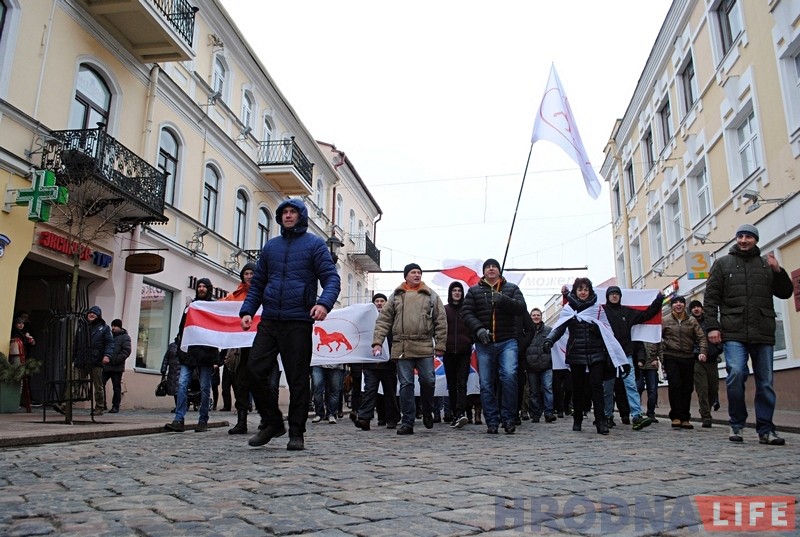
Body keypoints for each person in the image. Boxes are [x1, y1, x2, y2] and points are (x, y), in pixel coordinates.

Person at [240, 199, 341, 451]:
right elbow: (258, 283)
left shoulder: (315, 245)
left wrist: (324, 304)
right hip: (270, 320)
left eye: (292, 212)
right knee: (253, 369)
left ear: (301, 216)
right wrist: (247, 310)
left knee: (297, 380)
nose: (287, 216)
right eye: (284, 212)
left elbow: (331, 278)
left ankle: (297, 432)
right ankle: (273, 422)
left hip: (298, 321)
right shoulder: (271, 247)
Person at [704, 224, 793, 445]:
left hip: (763, 331)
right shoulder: (722, 264)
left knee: (765, 383)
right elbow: (711, 298)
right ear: (736, 239)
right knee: (735, 373)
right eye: (740, 236)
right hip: (733, 331)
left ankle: (766, 429)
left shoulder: (765, 264)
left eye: (748, 237)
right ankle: (737, 423)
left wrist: (778, 271)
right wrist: (712, 327)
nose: (744, 240)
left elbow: (785, 293)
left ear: (756, 240)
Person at [543, 278, 628, 435]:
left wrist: (598, 329)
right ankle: (577, 419)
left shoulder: (597, 309)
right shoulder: (568, 309)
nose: (583, 292)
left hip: (597, 352)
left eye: (586, 289)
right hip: (576, 352)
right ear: (575, 291)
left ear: (590, 291)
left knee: (597, 387)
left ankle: (601, 421)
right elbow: (559, 328)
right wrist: (549, 340)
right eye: (580, 289)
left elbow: (607, 329)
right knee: (578, 388)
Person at [372, 263, 446, 435]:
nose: (417, 275)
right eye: (413, 272)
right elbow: (384, 320)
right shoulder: (396, 296)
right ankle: (407, 422)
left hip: (424, 344)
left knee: (428, 381)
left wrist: (440, 344)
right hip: (402, 345)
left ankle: (427, 410)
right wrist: (377, 341)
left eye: (419, 272)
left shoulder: (431, 295)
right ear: (406, 276)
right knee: (406, 385)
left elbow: (441, 321)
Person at [461, 258, 527, 434]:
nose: (491, 269)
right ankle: (491, 420)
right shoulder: (474, 291)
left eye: (494, 266)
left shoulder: (512, 288)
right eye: (487, 267)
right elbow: (466, 313)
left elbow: (521, 308)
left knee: (509, 376)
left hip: (507, 341)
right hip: (485, 343)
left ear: (499, 270)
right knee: (486, 383)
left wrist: (503, 300)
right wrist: (478, 329)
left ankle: (509, 418)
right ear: (483, 272)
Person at [602, 285, 664, 431]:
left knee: (630, 385)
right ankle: (607, 416)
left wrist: (659, 299)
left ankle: (637, 415)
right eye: (612, 294)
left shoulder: (627, 312)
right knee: (608, 388)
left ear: (620, 296)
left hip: (625, 355)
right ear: (607, 296)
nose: (614, 296)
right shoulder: (602, 312)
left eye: (617, 294)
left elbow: (647, 314)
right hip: (608, 355)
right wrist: (568, 295)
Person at [165, 278, 219, 433]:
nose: (201, 288)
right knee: (182, 384)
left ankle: (203, 420)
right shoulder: (191, 307)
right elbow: (182, 327)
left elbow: (216, 330)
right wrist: (179, 345)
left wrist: (216, 357)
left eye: (204, 286)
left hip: (206, 353)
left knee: (204, 387)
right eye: (199, 286)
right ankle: (179, 419)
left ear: (209, 289)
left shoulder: (213, 306)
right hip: (189, 353)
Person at [654, 296, 707, 430]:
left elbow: (701, 337)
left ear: (684, 305)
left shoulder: (691, 320)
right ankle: (676, 416)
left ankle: (685, 417)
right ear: (672, 306)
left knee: (687, 387)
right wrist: (656, 356)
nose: (678, 305)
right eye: (675, 303)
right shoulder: (665, 320)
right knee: (675, 385)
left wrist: (703, 351)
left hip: (687, 357)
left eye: (681, 303)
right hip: (671, 356)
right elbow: (656, 338)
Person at [353, 293, 400, 430]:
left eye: (382, 301)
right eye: (377, 301)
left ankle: (392, 418)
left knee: (390, 392)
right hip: (371, 363)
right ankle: (364, 418)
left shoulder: (392, 320)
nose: (379, 303)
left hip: (388, 363)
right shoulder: (367, 321)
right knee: (369, 391)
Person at [222, 262, 258, 435]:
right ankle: (241, 421)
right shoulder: (235, 295)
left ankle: (267, 420)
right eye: (246, 273)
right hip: (241, 347)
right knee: (240, 383)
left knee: (262, 382)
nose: (249, 276)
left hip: (260, 345)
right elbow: (222, 307)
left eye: (252, 273)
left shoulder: (264, 293)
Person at [442, 282, 473, 429]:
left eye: (459, 290)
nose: (457, 292)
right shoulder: (444, 310)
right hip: (448, 352)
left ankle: (461, 413)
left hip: (464, 352)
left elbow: (473, 325)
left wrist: (470, 340)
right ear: (450, 293)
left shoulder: (467, 310)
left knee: (462, 384)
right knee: (452, 384)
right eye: (454, 290)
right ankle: (455, 414)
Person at [688, 300, 722, 428]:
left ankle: (705, 408)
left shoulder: (710, 322)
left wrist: (718, 349)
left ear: (702, 309)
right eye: (693, 307)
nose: (696, 309)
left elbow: (720, 337)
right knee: (702, 389)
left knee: (713, 389)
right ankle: (706, 416)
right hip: (697, 360)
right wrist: (695, 353)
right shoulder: (689, 323)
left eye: (698, 307)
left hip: (712, 359)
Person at [74, 306, 114, 415]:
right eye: (90, 313)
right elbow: (76, 343)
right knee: (74, 382)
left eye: (94, 313)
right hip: (81, 360)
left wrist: (107, 355)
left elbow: (110, 343)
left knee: (98, 386)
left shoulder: (104, 328)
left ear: (98, 316)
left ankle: (99, 407)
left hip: (96, 361)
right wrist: (73, 358)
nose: (91, 314)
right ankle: (65, 405)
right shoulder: (81, 327)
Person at [525, 308, 555, 423]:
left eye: (538, 315)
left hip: (546, 365)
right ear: (530, 317)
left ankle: (549, 413)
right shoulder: (526, 330)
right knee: (533, 392)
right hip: (531, 366)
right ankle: (536, 413)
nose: (536, 317)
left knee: (548, 389)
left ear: (541, 317)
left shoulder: (549, 330)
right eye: (534, 315)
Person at [104, 319, 130, 413]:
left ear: (120, 327)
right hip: (106, 365)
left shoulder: (125, 337)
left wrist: (116, 360)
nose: (113, 328)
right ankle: (102, 404)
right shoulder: (109, 335)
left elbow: (126, 351)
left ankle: (115, 406)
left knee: (116, 387)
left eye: (115, 326)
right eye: (112, 326)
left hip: (117, 367)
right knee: (100, 384)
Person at [636, 342, 660, 423]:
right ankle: (637, 412)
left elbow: (660, 348)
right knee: (638, 387)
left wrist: (660, 360)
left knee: (652, 390)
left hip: (651, 365)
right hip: (639, 365)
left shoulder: (654, 334)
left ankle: (651, 412)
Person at [160, 337, 181, 411]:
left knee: (180, 389)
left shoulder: (186, 346)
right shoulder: (172, 346)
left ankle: (179, 407)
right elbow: (166, 358)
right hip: (172, 371)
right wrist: (163, 370)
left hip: (182, 370)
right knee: (175, 390)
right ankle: (178, 406)